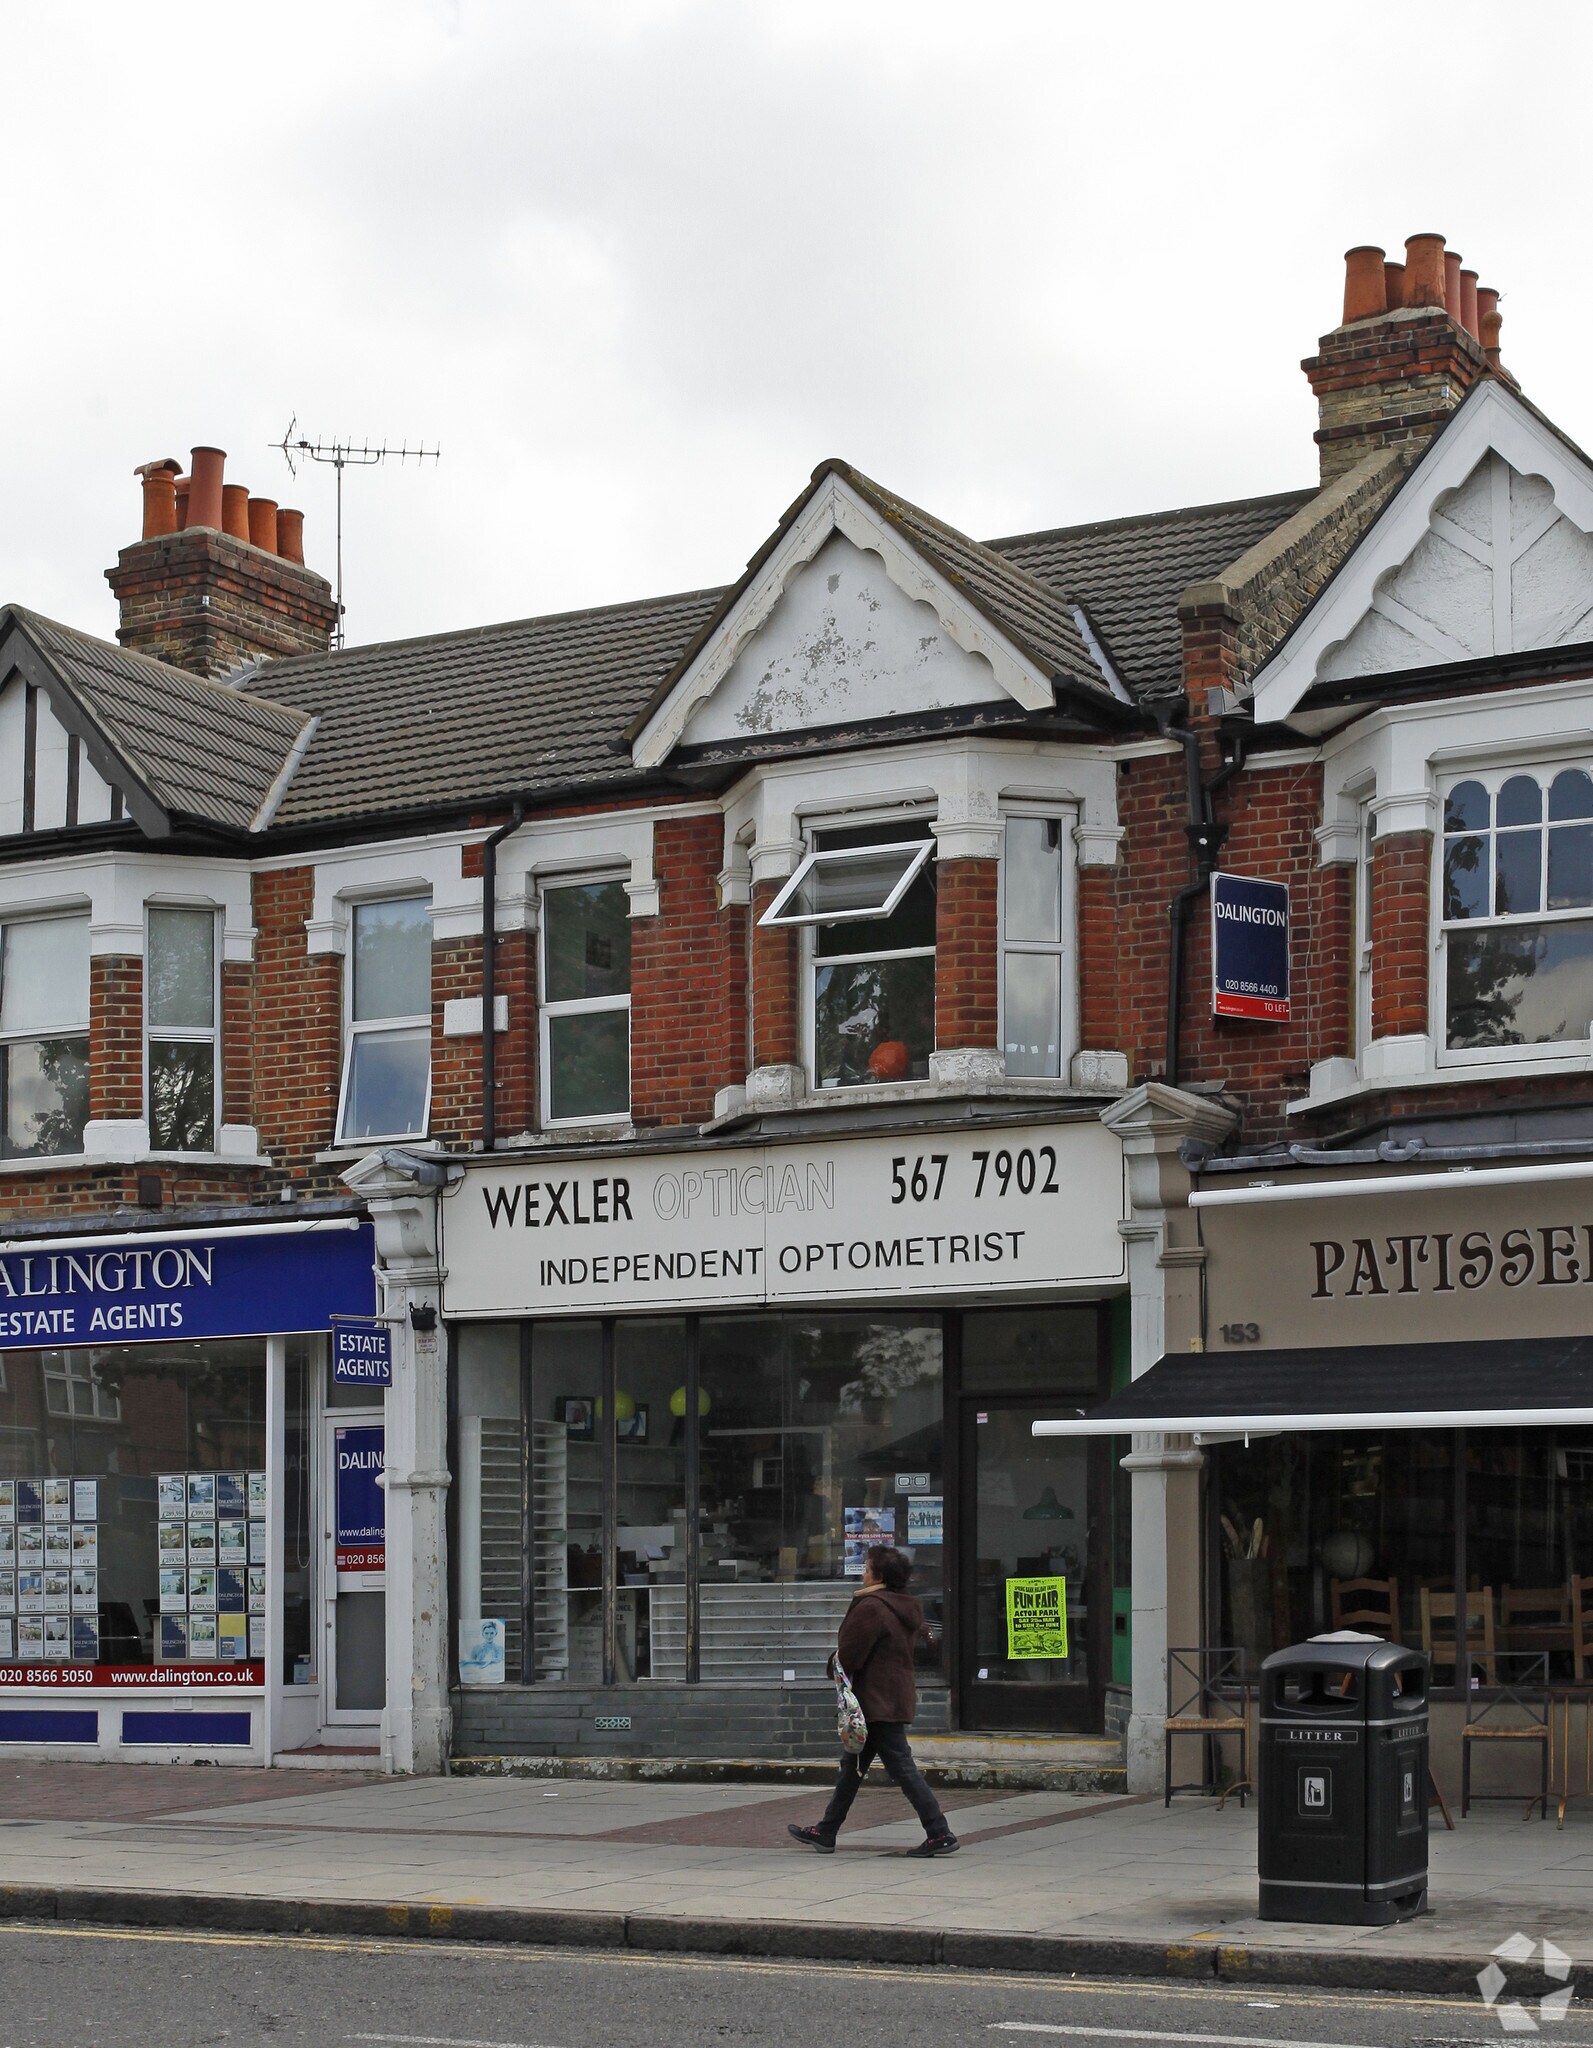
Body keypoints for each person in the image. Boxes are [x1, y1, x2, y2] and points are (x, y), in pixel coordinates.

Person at [788, 1544, 959, 1857]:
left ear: (879, 1575)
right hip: (888, 1698)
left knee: (902, 1768)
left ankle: (939, 1832)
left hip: (877, 1703)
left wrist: (833, 1665)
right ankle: (826, 1831)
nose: (863, 1573)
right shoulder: (903, 1605)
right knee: (851, 1768)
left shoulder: (872, 1607)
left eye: (866, 1569)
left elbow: (850, 1654)